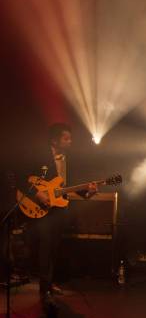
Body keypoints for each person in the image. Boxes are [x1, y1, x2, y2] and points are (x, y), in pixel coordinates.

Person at [29, 123, 97, 298]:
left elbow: (71, 186)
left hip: (61, 207)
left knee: (54, 247)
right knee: (45, 246)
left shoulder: (70, 160)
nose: (70, 141)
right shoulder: (39, 156)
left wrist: (88, 191)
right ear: (54, 140)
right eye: (66, 138)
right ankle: (44, 288)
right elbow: (24, 177)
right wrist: (37, 194)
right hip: (42, 207)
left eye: (70, 138)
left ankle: (50, 284)